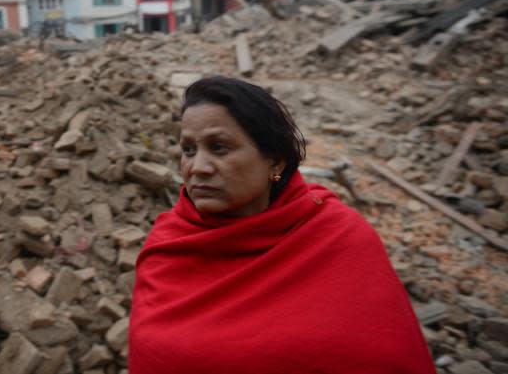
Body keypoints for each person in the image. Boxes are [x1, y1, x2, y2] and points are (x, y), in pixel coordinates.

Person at [128, 76, 436, 374]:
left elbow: (378, 354)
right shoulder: (170, 244)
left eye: (219, 147)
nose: (198, 168)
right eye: (189, 150)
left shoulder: (336, 236)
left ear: (274, 162)